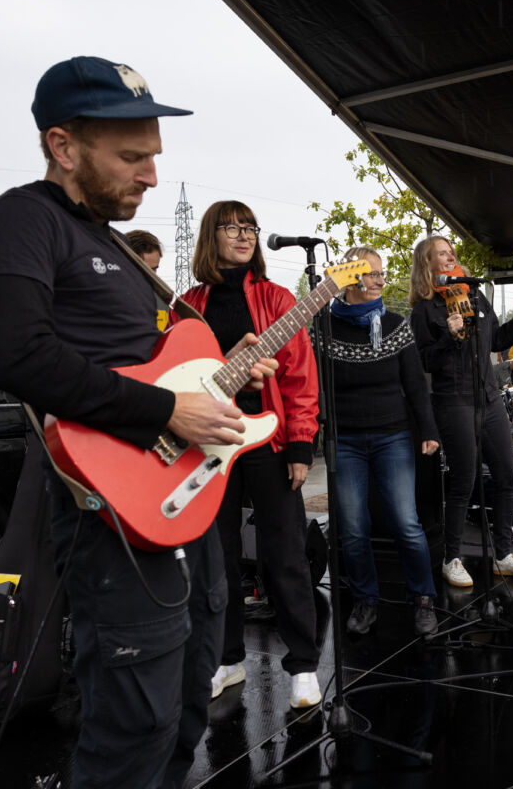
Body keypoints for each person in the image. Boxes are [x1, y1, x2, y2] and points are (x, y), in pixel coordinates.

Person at [0, 57, 277, 787]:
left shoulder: (115, 247)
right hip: (110, 511)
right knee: (133, 721)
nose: (149, 176)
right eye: (132, 157)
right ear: (63, 146)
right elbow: (15, 354)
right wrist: (171, 409)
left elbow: (160, 364)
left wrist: (216, 370)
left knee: (187, 702)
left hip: (184, 501)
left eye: (154, 157)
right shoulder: (21, 218)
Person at [178, 200, 323, 708]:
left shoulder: (278, 299)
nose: (244, 235)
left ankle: (304, 665)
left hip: (267, 441)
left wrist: (301, 444)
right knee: (215, 560)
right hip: (207, 446)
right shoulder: (187, 305)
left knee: (284, 555)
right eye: (232, 226)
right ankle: (227, 659)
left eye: (250, 227)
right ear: (209, 236)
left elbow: (301, 376)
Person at [408, 236, 513, 586]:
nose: (450, 256)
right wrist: (449, 337)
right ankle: (451, 558)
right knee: (463, 480)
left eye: (451, 252)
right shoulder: (425, 309)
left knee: (507, 475)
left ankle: (503, 555)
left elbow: (498, 341)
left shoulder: (474, 295)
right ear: (427, 264)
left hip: (488, 399)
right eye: (442, 253)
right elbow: (423, 361)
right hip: (453, 401)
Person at [320, 247, 440, 636]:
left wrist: (429, 431)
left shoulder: (395, 325)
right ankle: (365, 600)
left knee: (406, 522)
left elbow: (415, 386)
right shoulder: (323, 328)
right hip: (346, 439)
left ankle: (423, 598)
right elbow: (314, 386)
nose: (380, 281)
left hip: (393, 435)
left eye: (381, 274)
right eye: (371, 274)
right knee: (353, 529)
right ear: (350, 279)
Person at [126, 229, 170, 331]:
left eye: (155, 269)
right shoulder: (105, 299)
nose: (152, 276)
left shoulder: (164, 302)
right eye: (144, 269)